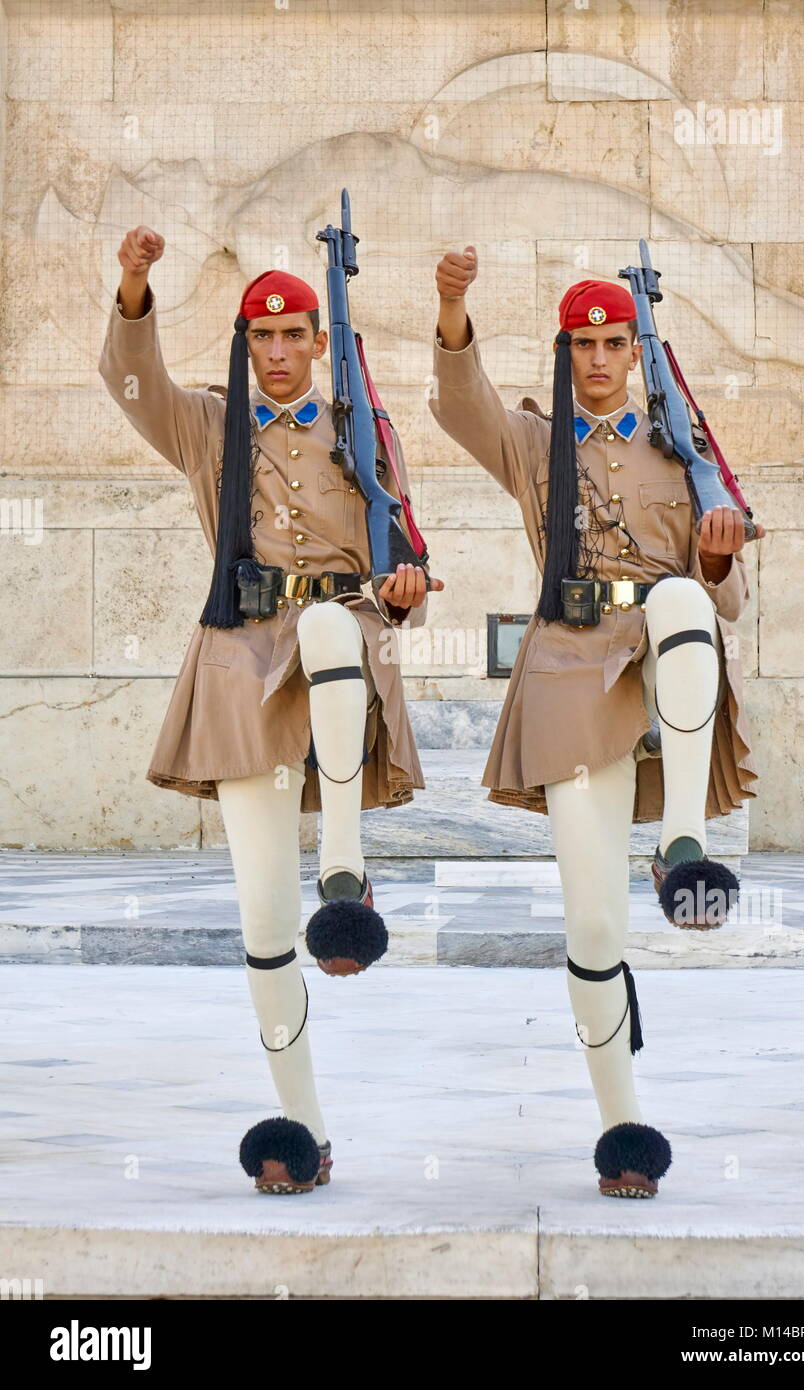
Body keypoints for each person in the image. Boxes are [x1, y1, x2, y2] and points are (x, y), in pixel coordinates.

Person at [99, 225, 443, 1194]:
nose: (281, 351)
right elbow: (135, 391)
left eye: (296, 333)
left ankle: (346, 869)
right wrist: (133, 291)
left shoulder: (364, 429)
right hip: (240, 664)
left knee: (333, 628)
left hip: (338, 657)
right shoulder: (212, 427)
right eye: (264, 337)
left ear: (318, 342)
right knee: (260, 922)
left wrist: (404, 593)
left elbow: (395, 560)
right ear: (247, 346)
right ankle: (302, 1124)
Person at [428, 246, 762, 1198]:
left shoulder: (681, 447)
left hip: (666, 665)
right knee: (590, 925)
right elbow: (462, 408)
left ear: (637, 351)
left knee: (686, 607)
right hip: (572, 670)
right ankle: (623, 1128)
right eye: (584, 345)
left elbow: (727, 601)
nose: (600, 361)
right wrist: (453, 310)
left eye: (615, 344)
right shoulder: (539, 444)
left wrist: (715, 553)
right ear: (567, 350)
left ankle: (687, 846)